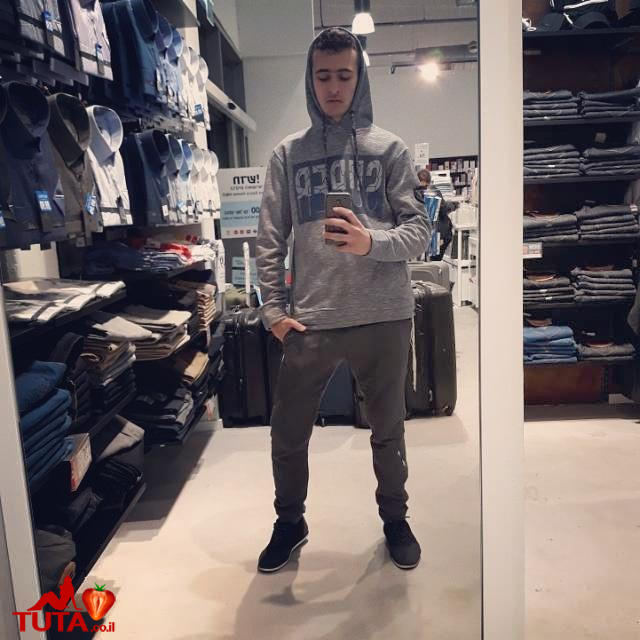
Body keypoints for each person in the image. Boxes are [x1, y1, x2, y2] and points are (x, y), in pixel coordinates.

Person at [256, 27, 431, 573]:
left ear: (360, 79)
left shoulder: (390, 149)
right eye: (323, 76)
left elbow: (420, 232)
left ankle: (395, 520)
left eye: (344, 76)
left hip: (384, 315)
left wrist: (369, 242)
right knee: (288, 433)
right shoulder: (288, 155)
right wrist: (273, 312)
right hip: (312, 319)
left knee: (388, 430)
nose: (333, 87)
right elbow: (269, 238)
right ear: (311, 80)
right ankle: (290, 522)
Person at [415, 168, 454, 261]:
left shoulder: (415, 193)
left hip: (431, 232)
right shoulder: (434, 191)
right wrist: (452, 205)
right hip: (437, 232)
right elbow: (444, 208)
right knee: (434, 260)